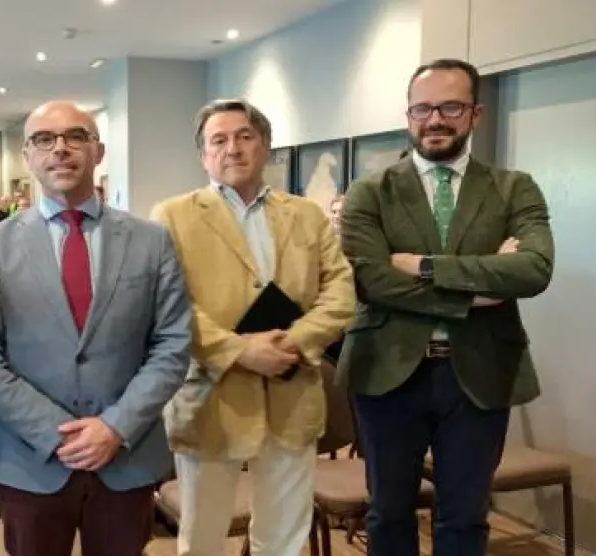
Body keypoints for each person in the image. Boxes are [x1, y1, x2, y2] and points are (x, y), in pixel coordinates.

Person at [338, 58, 555, 556]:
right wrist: (481, 289)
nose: (435, 119)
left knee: (465, 517)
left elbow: (533, 270)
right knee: (388, 512)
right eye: (423, 108)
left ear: (475, 113)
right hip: (387, 372)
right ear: (408, 115)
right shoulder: (370, 192)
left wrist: (423, 265)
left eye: (451, 107)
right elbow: (372, 281)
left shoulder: (514, 188)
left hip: (480, 373)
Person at [0, 101, 192, 556]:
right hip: (29, 459)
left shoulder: (151, 240)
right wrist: (55, 432)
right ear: (28, 156)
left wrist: (115, 427)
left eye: (75, 136)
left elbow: (172, 345)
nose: (60, 148)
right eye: (44, 139)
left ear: (98, 152)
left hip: (126, 455)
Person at [152, 99, 355, 556]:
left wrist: (294, 341)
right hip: (212, 397)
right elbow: (168, 304)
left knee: (283, 537)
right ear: (203, 154)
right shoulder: (172, 216)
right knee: (202, 538)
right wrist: (240, 350)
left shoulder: (306, 214)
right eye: (219, 140)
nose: (233, 148)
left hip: (291, 391)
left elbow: (340, 291)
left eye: (245, 136)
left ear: (265, 146)